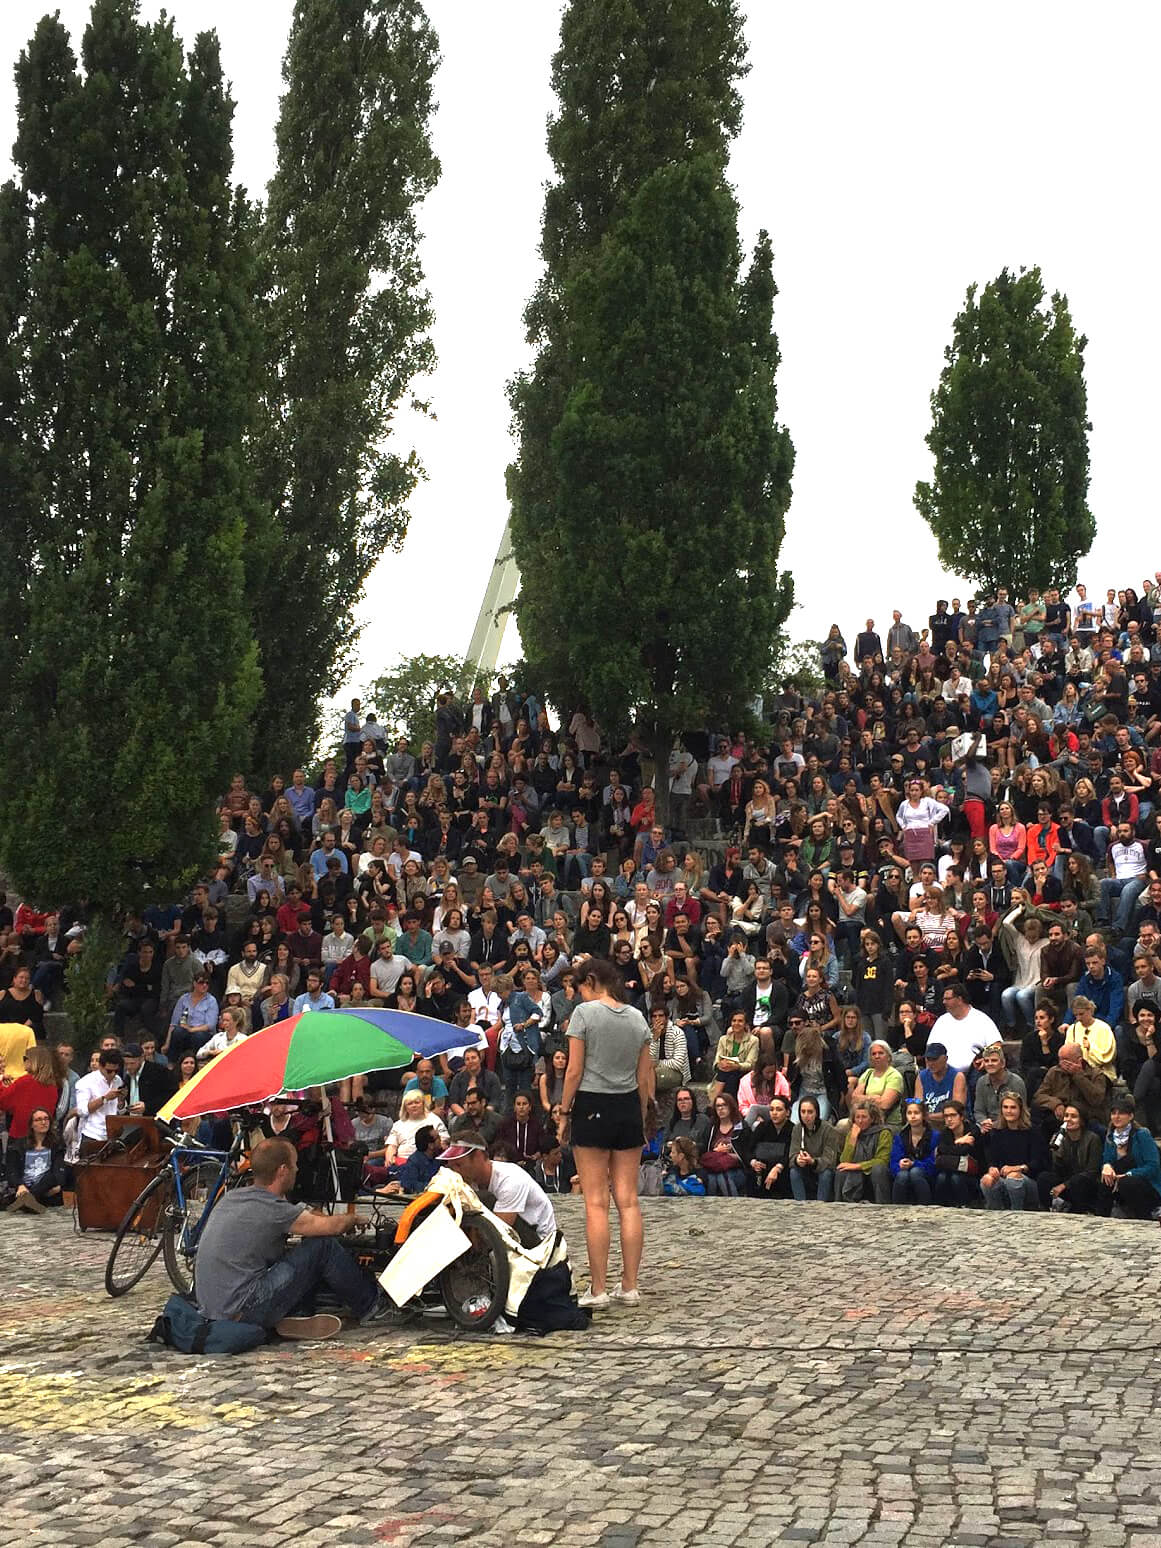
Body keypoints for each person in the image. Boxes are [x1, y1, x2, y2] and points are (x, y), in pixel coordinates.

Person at [195, 1136, 392, 1339]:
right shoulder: (273, 1210)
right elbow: (330, 1227)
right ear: (282, 1170)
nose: (297, 1170)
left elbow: (300, 1217)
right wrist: (355, 1219)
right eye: (295, 1165)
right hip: (245, 1308)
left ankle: (298, 1312)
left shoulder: (233, 1197)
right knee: (322, 1246)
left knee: (296, 1252)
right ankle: (373, 1307)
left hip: (213, 1310)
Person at [561, 958, 653, 1309]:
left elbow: (574, 1070)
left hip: (591, 1105)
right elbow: (646, 1076)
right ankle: (629, 1285)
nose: (578, 994)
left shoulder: (584, 1015)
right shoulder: (637, 1017)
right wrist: (642, 1114)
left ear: (592, 981)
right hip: (628, 1106)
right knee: (628, 1200)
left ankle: (597, 1289)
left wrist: (565, 1111)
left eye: (580, 987)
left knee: (595, 1201)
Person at [438, 1130, 558, 1245]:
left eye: (459, 1165)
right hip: (512, 1230)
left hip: (540, 1240)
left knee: (483, 1198)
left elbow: (498, 1233)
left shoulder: (511, 1179)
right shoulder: (469, 1178)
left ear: (479, 1157)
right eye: (452, 1167)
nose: (455, 1172)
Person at [1097, 1094, 1161, 1219]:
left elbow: (1153, 1166)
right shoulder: (1110, 1136)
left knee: (1127, 1183)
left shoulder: (1142, 1135)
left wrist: (1130, 1174)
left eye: (1121, 1113)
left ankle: (1144, 1218)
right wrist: (1106, 1166)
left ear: (1130, 1116)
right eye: (1113, 1113)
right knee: (1105, 1179)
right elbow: (1107, 1158)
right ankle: (1101, 1219)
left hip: (1146, 1184)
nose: (1116, 1117)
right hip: (1120, 1181)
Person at [980, 1093, 1047, 1211]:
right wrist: (992, 1168)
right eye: (1005, 1107)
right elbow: (992, 1159)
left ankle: (1017, 1213)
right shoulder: (997, 1131)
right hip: (1004, 1177)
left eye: (1013, 1107)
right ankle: (994, 1213)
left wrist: (1017, 1168)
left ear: (1021, 1109)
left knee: (1013, 1178)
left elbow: (1038, 1163)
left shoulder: (1033, 1131)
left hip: (1029, 1180)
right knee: (987, 1180)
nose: (1009, 1111)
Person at [1036, 1104, 1102, 1213]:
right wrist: (1055, 1152)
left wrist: (1064, 1185)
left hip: (1085, 1184)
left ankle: (1080, 1211)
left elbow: (1092, 1171)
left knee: (1079, 1181)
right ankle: (1046, 1210)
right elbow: (1056, 1170)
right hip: (1067, 1180)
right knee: (1044, 1177)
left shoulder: (1093, 1139)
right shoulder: (1060, 1137)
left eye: (1073, 1116)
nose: (1069, 1119)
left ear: (1081, 1120)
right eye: (1066, 1116)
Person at [2, 1107, 66, 1213]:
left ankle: (25, 1201)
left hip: (47, 1189)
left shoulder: (57, 1145)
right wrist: (20, 1185)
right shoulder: (19, 1146)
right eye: (38, 1119)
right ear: (31, 1124)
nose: (43, 1122)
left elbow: (59, 1170)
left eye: (46, 1119)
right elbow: (12, 1170)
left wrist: (59, 1186)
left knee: (50, 1177)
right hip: (25, 1188)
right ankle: (28, 1200)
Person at [928, 981, 1000, 1073]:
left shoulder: (981, 1019)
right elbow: (930, 1047)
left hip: (973, 1073)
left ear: (959, 999)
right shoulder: (941, 1021)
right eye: (943, 999)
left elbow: (996, 1045)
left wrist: (985, 1059)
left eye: (948, 999)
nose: (944, 1002)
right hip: (944, 1075)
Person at [836, 1098, 891, 1203]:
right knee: (841, 1171)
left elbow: (882, 1160)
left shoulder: (884, 1133)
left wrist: (858, 1166)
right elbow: (844, 1161)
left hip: (874, 1172)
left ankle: (882, 1204)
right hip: (856, 1175)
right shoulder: (852, 1134)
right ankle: (840, 1205)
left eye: (864, 1117)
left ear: (872, 1118)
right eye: (857, 1117)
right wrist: (853, 1139)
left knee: (878, 1169)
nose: (860, 1121)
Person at [788, 1095, 840, 1202]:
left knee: (826, 1173)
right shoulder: (797, 1129)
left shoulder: (829, 1130)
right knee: (794, 1171)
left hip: (821, 1167)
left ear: (817, 1113)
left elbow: (830, 1160)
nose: (806, 1116)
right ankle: (800, 1203)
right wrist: (797, 1160)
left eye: (810, 1112)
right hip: (805, 1168)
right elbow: (792, 1155)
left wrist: (813, 1161)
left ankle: (820, 1204)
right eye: (803, 1112)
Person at [73, 1048, 125, 1157]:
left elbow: (119, 1109)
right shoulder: (85, 1082)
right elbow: (82, 1111)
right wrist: (105, 1098)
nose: (113, 1074)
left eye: (116, 1071)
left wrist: (121, 1100)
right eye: (109, 1071)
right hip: (92, 1135)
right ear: (100, 1066)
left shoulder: (118, 1080)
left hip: (113, 1136)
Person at [933, 1100, 983, 1207]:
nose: (949, 1119)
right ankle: (941, 1207)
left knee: (956, 1178)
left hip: (974, 1175)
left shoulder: (972, 1130)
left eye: (953, 1115)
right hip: (950, 1171)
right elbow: (941, 1150)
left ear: (961, 1117)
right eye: (946, 1116)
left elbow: (964, 1151)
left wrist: (949, 1151)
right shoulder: (945, 1133)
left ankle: (964, 1206)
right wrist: (958, 1142)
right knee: (941, 1177)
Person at [889, 1100, 938, 1205]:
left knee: (915, 1172)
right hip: (905, 1173)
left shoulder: (935, 1136)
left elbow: (934, 1163)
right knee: (902, 1175)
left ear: (923, 1115)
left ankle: (925, 1207)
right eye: (909, 1113)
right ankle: (897, 1209)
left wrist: (914, 1164)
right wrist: (900, 1165)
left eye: (916, 1113)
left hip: (929, 1175)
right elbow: (893, 1162)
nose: (913, 1116)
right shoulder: (900, 1136)